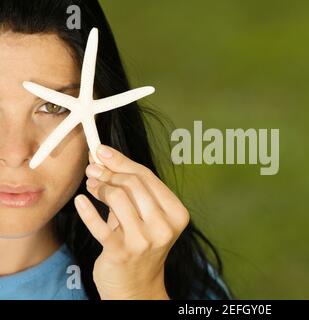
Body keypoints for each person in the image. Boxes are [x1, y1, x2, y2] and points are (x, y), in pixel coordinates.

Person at [0, 0, 231, 300]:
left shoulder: (171, 281)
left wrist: (139, 292)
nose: (16, 153)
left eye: (53, 107)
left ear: (104, 117)